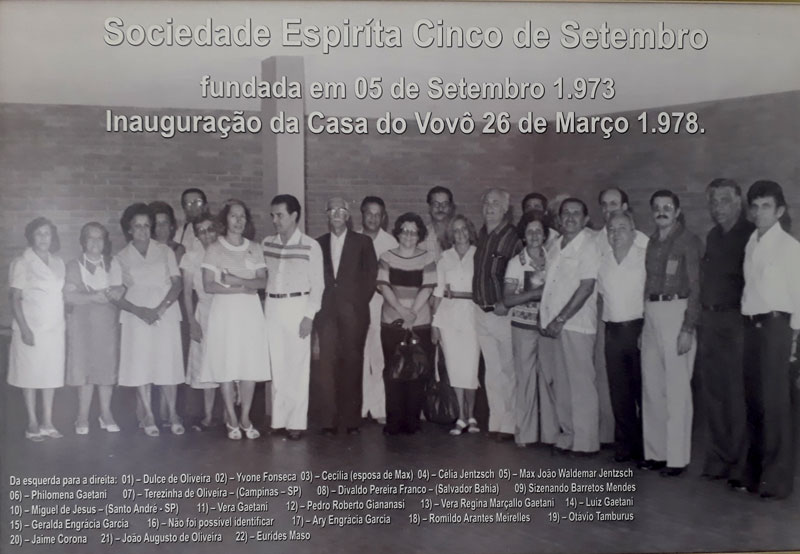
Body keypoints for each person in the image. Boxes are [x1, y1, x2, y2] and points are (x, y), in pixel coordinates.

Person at [740, 180, 800, 499]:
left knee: (776, 405)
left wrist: (794, 342)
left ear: (779, 211)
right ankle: (755, 474)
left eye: (767, 206)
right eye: (755, 206)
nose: (760, 212)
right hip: (752, 328)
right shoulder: (752, 243)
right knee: (755, 402)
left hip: (778, 329)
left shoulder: (790, 248)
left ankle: (776, 481)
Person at [641, 190, 702, 476]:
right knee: (652, 387)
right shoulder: (652, 241)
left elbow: (696, 287)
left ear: (677, 211)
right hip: (652, 313)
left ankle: (676, 458)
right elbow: (647, 284)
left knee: (677, 389)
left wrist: (688, 328)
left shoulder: (688, 241)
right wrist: (645, 323)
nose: (661, 211)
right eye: (657, 207)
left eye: (667, 207)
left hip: (677, 312)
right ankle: (656, 453)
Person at [698, 178, 754, 486]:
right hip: (710, 320)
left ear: (738, 202)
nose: (718, 207)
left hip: (736, 322)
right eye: (713, 201)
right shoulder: (713, 236)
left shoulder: (750, 235)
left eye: (724, 200)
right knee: (713, 392)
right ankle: (719, 459)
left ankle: (740, 465)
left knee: (736, 394)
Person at [201, 199, 269, 440]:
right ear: (225, 220)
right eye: (233, 216)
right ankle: (231, 416)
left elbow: (263, 281)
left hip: (250, 312)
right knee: (226, 363)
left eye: (242, 216)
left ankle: (245, 417)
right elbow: (209, 285)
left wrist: (237, 281)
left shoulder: (255, 248)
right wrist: (242, 288)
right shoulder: (214, 249)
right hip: (225, 312)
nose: (238, 221)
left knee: (249, 363)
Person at [115, 203, 185, 437]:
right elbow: (115, 294)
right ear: (129, 229)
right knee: (140, 364)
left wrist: (160, 309)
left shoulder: (164, 251)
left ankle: (173, 414)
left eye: (146, 225)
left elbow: (177, 284)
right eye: (137, 226)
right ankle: (148, 415)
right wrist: (140, 311)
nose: (143, 230)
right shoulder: (121, 257)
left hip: (166, 312)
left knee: (168, 363)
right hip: (136, 317)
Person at [539, 198, 602, 455]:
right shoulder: (555, 245)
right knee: (562, 384)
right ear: (559, 218)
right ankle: (568, 435)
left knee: (581, 384)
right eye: (566, 213)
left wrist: (561, 318)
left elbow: (586, 287)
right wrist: (546, 318)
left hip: (576, 324)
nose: (570, 217)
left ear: (586, 219)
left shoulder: (589, 245)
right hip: (553, 325)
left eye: (576, 213)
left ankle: (586, 442)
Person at [262, 194, 324, 440]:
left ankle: (296, 423)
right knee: (277, 365)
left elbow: (318, 285)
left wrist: (309, 316)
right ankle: (279, 420)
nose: (275, 220)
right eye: (273, 215)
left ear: (294, 215)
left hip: (298, 307)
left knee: (297, 367)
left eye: (280, 215)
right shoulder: (267, 243)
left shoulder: (310, 246)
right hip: (272, 307)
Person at [316, 197, 378, 436]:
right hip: (326, 314)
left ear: (348, 215)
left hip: (354, 314)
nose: (337, 214)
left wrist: (356, 305)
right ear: (327, 214)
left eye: (341, 210)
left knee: (352, 364)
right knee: (326, 366)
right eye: (332, 210)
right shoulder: (318, 244)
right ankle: (328, 421)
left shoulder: (362, 242)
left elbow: (370, 278)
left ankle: (351, 420)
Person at [593, 187, 650, 445]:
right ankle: (626, 444)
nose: (616, 234)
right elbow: (600, 295)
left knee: (642, 388)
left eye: (622, 228)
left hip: (638, 328)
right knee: (619, 390)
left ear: (633, 230)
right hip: (613, 331)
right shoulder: (603, 260)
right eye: (611, 230)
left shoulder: (643, 255)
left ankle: (647, 446)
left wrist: (646, 329)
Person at [377, 212, 437, 435]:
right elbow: (383, 285)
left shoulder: (427, 258)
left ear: (419, 235)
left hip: (420, 323)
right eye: (405, 231)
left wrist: (412, 314)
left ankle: (412, 422)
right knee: (393, 371)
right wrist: (402, 311)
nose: (409, 236)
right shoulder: (386, 256)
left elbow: (428, 287)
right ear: (398, 232)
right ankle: (394, 422)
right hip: (392, 323)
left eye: (414, 232)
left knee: (416, 372)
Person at [64, 222, 125, 435]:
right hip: (81, 324)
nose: (95, 242)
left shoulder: (112, 264)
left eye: (100, 238)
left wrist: (116, 292)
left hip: (106, 323)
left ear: (105, 242)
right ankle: (82, 415)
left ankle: (105, 413)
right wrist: (92, 296)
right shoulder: (74, 265)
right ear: (83, 241)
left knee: (106, 367)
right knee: (84, 368)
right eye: (91, 237)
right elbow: (68, 296)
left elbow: (118, 290)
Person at [8, 217, 66, 441]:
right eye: (39, 233)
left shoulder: (58, 262)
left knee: (50, 374)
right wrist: (24, 329)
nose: (43, 238)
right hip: (30, 327)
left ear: (53, 237)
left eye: (47, 233)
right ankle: (32, 422)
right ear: (31, 236)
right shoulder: (22, 262)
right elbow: (15, 298)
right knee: (29, 375)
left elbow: (59, 292)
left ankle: (48, 421)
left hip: (54, 328)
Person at [503, 210, 557, 447]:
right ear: (523, 236)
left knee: (549, 379)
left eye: (539, 231)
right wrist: (534, 294)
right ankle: (525, 434)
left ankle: (551, 435)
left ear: (545, 235)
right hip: (523, 327)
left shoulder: (554, 258)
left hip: (547, 327)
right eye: (530, 231)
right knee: (525, 379)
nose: (534, 235)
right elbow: (507, 299)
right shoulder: (516, 263)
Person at [472, 188, 521, 441]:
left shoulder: (513, 237)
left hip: (503, 314)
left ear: (505, 209)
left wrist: (507, 303)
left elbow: (522, 277)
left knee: (508, 370)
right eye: (486, 202)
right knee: (492, 371)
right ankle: (496, 421)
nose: (489, 207)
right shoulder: (482, 234)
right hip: (481, 312)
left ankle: (510, 425)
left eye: (495, 203)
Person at [432, 215, 481, 436]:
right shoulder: (445, 258)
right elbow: (438, 292)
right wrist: (434, 323)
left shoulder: (478, 254)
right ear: (450, 235)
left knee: (470, 368)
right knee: (454, 368)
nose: (460, 234)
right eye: (455, 230)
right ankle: (461, 417)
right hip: (448, 317)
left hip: (472, 316)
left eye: (464, 229)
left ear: (470, 231)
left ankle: (472, 415)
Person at [179, 213, 220, 430]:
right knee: (206, 365)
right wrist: (192, 323)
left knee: (229, 362)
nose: (206, 235)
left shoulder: (226, 251)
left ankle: (233, 415)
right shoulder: (191, 257)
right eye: (201, 232)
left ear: (217, 230)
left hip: (228, 312)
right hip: (203, 313)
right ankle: (208, 415)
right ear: (196, 235)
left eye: (210, 229)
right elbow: (187, 293)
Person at [360, 196, 398, 424]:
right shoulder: (353, 239)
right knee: (360, 355)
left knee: (379, 356)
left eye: (377, 214)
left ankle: (379, 407)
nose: (373, 218)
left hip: (383, 305)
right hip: (358, 306)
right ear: (362, 214)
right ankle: (362, 407)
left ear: (383, 217)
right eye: (369, 213)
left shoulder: (391, 243)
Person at [421, 186, 455, 260]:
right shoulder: (422, 236)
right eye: (435, 204)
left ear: (450, 207)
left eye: (445, 204)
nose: (440, 208)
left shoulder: (460, 233)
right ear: (429, 208)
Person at [178, 188, 209, 254]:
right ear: (184, 208)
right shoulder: (180, 233)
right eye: (188, 203)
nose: (193, 206)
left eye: (197, 202)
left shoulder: (217, 231)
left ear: (205, 206)